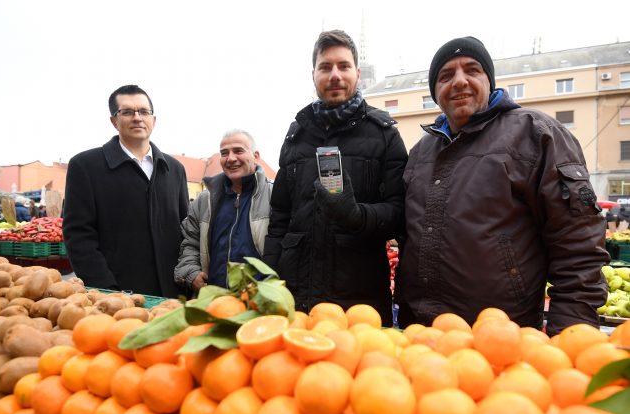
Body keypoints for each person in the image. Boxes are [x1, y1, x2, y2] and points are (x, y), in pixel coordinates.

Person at [394, 36, 609, 336]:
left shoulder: (535, 134)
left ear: (489, 80)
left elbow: (578, 245)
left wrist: (569, 336)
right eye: (446, 76)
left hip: (503, 339)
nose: (459, 81)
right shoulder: (420, 152)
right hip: (421, 334)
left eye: (471, 70)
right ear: (435, 91)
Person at [263, 30, 408, 324]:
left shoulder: (384, 134)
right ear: (313, 74)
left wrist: (356, 215)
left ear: (356, 72)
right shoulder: (296, 135)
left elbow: (400, 212)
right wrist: (269, 275)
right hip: (296, 294)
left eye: (343, 66)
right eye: (325, 67)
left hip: (358, 296)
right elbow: (279, 216)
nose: (335, 75)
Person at [63, 84, 189, 297]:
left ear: (154, 120)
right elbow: (79, 236)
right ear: (114, 121)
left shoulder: (174, 169)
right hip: (118, 296)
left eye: (144, 111)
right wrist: (106, 290)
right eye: (127, 112)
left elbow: (186, 229)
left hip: (173, 293)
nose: (137, 117)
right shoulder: (85, 166)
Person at [175, 130, 273, 292]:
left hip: (261, 302)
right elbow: (189, 243)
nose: (231, 158)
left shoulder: (275, 197)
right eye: (224, 153)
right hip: (214, 301)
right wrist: (191, 272)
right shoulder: (204, 201)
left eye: (238, 151)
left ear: (255, 156)